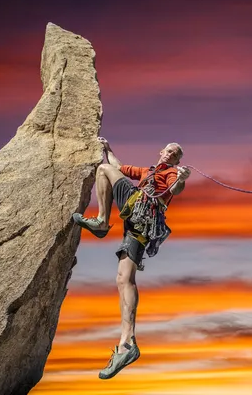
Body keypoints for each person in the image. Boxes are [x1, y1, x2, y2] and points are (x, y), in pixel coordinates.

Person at [72, 137, 191, 379]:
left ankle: (102, 222)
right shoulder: (148, 171)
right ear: (161, 151)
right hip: (139, 222)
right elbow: (120, 166)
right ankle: (127, 343)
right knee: (123, 278)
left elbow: (175, 189)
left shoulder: (169, 174)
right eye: (168, 150)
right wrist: (109, 149)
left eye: (175, 154)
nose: (170, 154)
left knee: (103, 170)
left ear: (178, 160)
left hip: (143, 210)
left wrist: (181, 177)